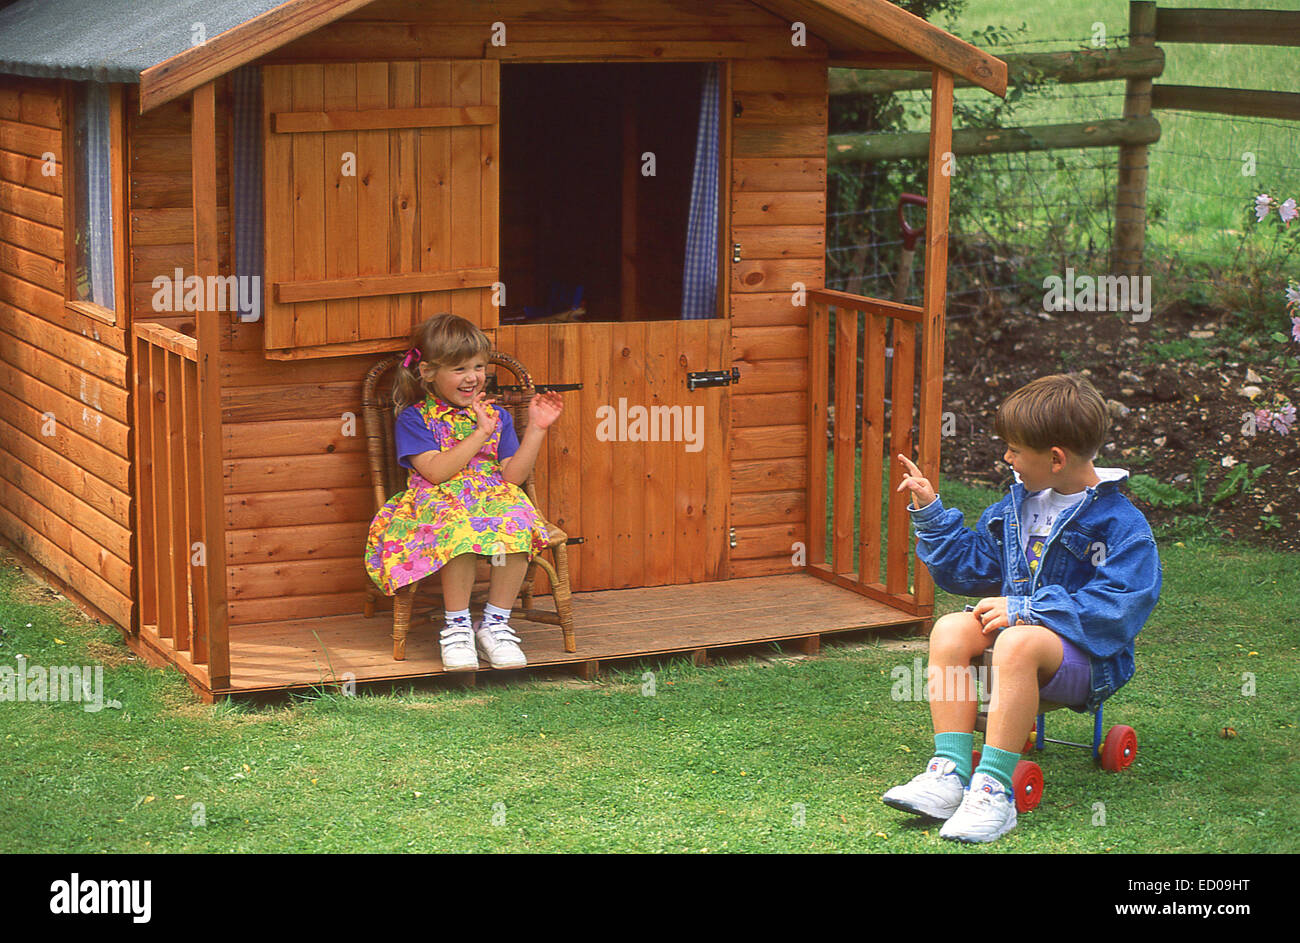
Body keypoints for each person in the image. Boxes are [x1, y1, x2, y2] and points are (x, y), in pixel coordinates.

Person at [881, 373, 1161, 843]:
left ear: (1055, 458)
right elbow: (969, 571)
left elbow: (1118, 608)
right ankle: (949, 772)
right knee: (950, 628)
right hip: (1024, 644)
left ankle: (993, 790)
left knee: (1016, 640)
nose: (1006, 458)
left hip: (1087, 662)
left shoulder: (1122, 526)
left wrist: (1028, 609)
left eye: (1014, 449)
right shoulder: (1018, 507)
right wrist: (931, 513)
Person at [364, 314, 563, 671]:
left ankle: (494, 626)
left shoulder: (496, 416)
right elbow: (436, 472)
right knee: (458, 532)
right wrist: (479, 435)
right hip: (435, 503)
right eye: (459, 369)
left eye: (479, 366)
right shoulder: (415, 418)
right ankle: (456, 628)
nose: (472, 377)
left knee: (517, 523)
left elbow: (513, 477)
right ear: (427, 372)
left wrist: (536, 428)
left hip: (492, 496)